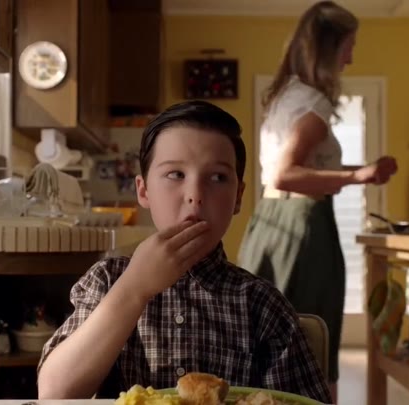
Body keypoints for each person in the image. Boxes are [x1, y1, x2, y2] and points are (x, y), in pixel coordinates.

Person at [37, 100, 332, 403]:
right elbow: (54, 393)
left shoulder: (262, 305)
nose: (195, 195)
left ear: (238, 197)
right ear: (143, 191)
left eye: (217, 178)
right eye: (176, 174)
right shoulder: (107, 280)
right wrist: (134, 288)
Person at [237, 1, 398, 402]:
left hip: (271, 220)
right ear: (328, 49)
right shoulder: (314, 103)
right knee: (314, 341)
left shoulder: (285, 95)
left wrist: (362, 171)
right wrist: (356, 176)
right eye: (348, 46)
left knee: (266, 340)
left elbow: (294, 172)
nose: (350, 58)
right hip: (303, 227)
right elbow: (286, 173)